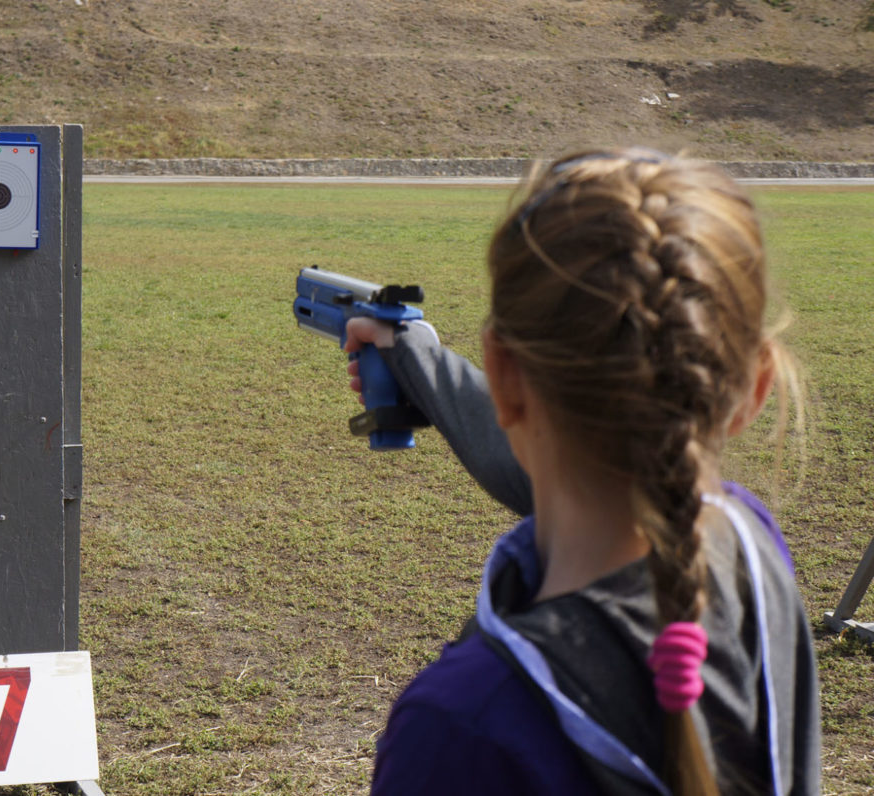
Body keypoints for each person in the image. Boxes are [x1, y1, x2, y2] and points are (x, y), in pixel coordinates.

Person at [342, 149, 820, 795]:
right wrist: (418, 360)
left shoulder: (460, 722)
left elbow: (570, 471)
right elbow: (602, 469)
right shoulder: (749, 542)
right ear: (754, 388)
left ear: (506, 376)